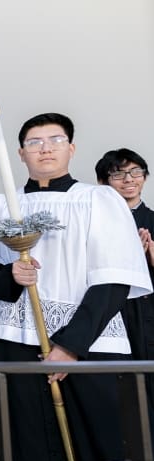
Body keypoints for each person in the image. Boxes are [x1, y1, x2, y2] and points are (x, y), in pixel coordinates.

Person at [0, 113, 152, 461]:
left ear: (71, 148)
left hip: (90, 344)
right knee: (27, 447)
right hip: (17, 340)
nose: (45, 148)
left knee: (99, 444)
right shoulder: (1, 205)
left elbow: (115, 277)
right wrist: (11, 275)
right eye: (34, 142)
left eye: (55, 139)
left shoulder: (99, 200)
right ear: (20, 154)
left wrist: (70, 346)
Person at [95, 148, 154, 406]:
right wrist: (129, 258)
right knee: (120, 387)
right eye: (118, 174)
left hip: (149, 311)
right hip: (111, 311)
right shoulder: (96, 223)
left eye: (135, 172)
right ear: (103, 182)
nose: (129, 179)